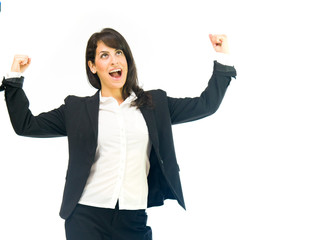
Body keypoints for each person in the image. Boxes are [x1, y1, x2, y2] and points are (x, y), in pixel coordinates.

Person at [0, 28, 237, 240]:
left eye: (119, 53)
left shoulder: (155, 105)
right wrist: (14, 78)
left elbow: (206, 105)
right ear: (93, 66)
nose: (114, 60)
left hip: (133, 218)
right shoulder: (76, 110)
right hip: (86, 217)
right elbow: (26, 125)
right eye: (104, 55)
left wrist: (222, 58)